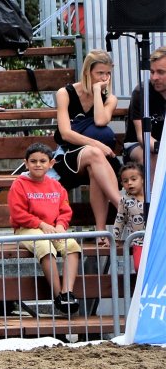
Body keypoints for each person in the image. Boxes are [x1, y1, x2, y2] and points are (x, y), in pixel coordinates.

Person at [53, 48, 124, 233]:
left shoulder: (110, 99)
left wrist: (96, 92)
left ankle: (100, 231)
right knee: (95, 152)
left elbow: (101, 120)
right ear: (87, 72)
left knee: (95, 166)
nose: (104, 78)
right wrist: (97, 144)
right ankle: (124, 207)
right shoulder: (65, 93)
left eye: (108, 73)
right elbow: (66, 133)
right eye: (99, 73)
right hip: (70, 156)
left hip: (97, 162)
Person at [11, 143, 82, 312]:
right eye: (33, 161)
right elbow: (18, 213)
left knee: (72, 246)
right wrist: (41, 224)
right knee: (45, 247)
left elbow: (65, 210)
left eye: (43, 161)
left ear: (51, 163)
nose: (38, 164)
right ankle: (58, 296)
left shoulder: (56, 186)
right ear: (26, 163)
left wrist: (60, 225)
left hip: (52, 228)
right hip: (27, 228)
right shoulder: (19, 185)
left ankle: (67, 292)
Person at [123, 46, 166, 165]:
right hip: (138, 145)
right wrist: (161, 149)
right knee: (152, 158)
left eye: (161, 72)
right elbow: (142, 137)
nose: (154, 77)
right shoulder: (141, 92)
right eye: (152, 72)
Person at [113, 161, 147, 273]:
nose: (130, 183)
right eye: (125, 181)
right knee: (139, 267)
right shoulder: (125, 200)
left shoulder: (153, 196)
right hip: (138, 241)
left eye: (133, 179)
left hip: (156, 240)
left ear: (142, 179)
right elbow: (120, 219)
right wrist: (115, 239)